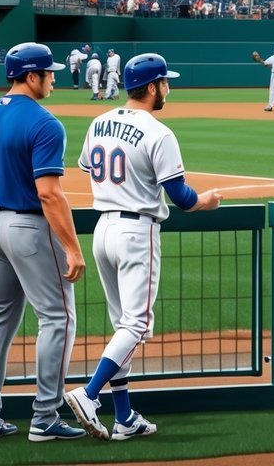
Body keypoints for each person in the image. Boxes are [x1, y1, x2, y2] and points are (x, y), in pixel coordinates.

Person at [64, 54, 222, 441]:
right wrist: (207, 200)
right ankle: (88, 394)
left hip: (102, 230)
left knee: (124, 326)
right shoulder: (158, 132)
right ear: (151, 87)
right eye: (165, 82)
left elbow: (88, 167)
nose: (168, 87)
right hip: (137, 233)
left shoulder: (99, 121)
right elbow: (181, 196)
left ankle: (124, 418)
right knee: (136, 325)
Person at [0, 43, 87, 442]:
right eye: (48, 73)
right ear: (31, 76)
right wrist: (73, 247)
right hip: (28, 227)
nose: (53, 77)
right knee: (58, 318)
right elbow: (49, 193)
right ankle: (45, 417)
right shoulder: (45, 122)